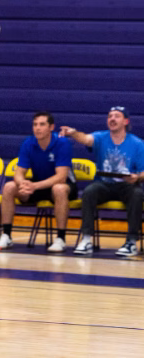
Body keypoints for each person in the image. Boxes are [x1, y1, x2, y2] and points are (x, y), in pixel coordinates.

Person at [61, 106, 144, 256]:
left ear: (126, 121)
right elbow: (85, 139)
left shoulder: (137, 144)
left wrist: (137, 177)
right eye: (110, 116)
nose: (112, 119)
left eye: (116, 116)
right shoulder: (100, 137)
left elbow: (142, 172)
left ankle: (131, 242)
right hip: (104, 184)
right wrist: (73, 133)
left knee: (137, 194)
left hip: (127, 185)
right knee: (89, 191)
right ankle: (86, 239)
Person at [0, 111, 77, 252]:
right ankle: (6, 235)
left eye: (42, 124)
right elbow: (19, 172)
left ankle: (60, 239)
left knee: (59, 188)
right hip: (38, 184)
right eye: (35, 125)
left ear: (51, 127)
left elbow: (61, 177)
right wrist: (23, 184)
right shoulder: (28, 143)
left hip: (63, 186)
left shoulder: (62, 143)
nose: (37, 128)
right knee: (9, 187)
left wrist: (34, 186)